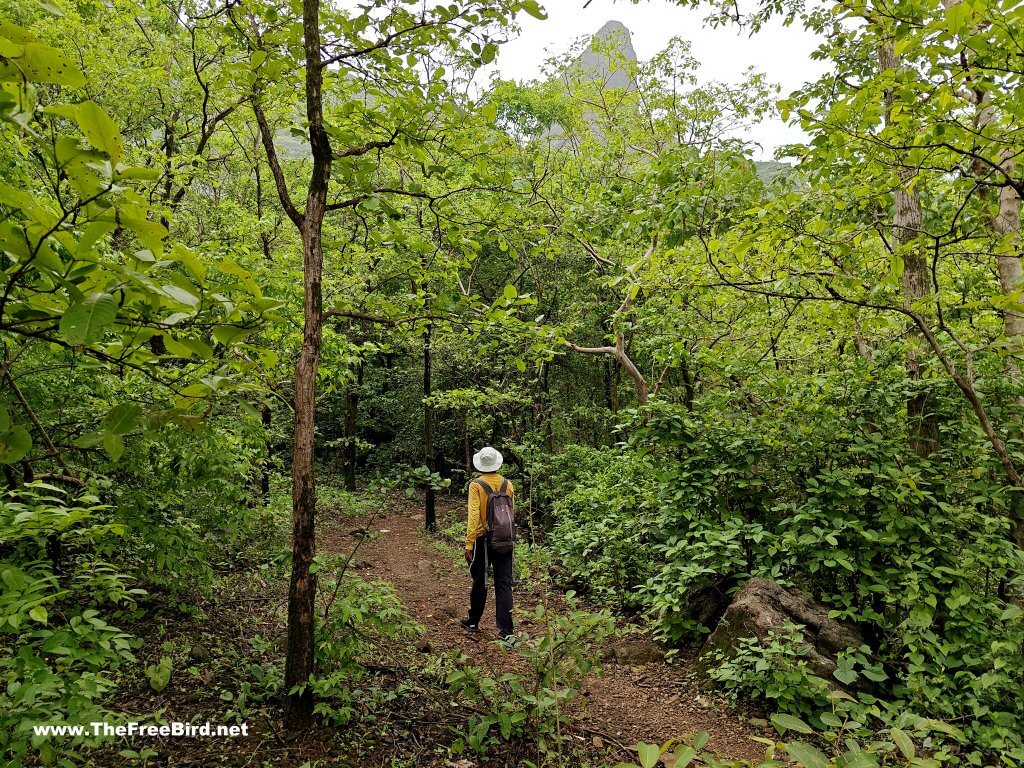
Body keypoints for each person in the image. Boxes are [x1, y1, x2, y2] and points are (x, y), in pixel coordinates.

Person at [460, 446, 515, 644]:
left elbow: (474, 515)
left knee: (480, 581)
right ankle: (507, 631)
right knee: (504, 583)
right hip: (504, 538)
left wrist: (469, 543)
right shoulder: (507, 484)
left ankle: (473, 621)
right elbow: (510, 513)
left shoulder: (476, 485)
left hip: (482, 539)